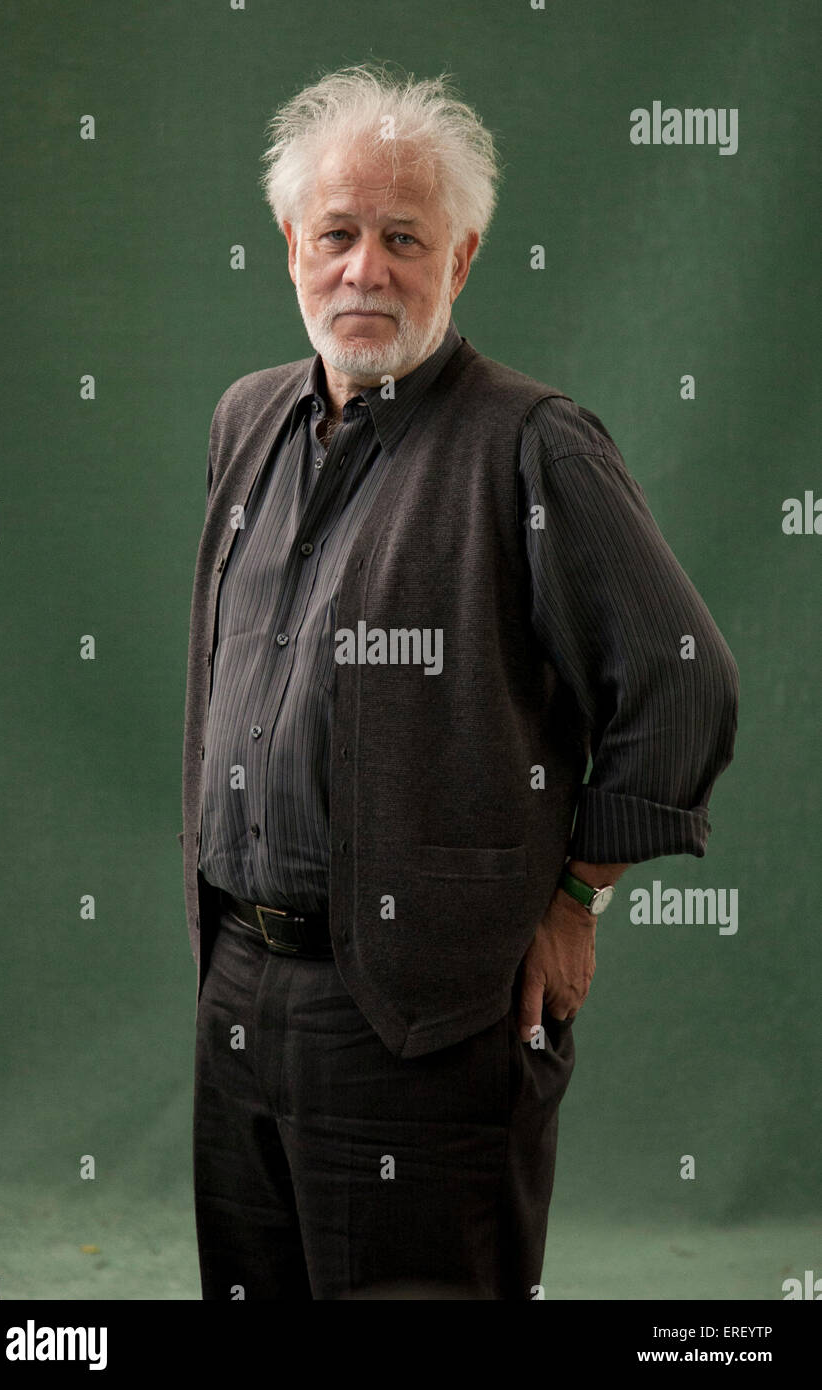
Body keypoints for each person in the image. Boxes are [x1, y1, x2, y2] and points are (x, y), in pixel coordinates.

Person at [178, 62, 739, 1301]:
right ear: (288, 244)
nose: (363, 271)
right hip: (236, 988)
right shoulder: (245, 421)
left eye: (401, 239)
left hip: (422, 1017)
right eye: (336, 235)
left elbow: (682, 683)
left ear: (463, 259)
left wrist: (575, 895)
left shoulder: (531, 445)